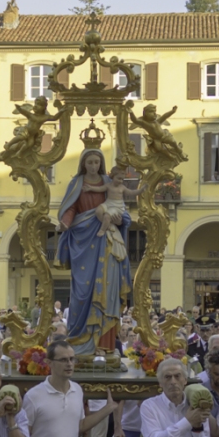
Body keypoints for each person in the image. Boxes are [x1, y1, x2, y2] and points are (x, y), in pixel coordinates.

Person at [56, 150, 132, 352]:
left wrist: (120, 220)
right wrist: (65, 223)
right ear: (83, 163)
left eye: (96, 162)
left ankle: (104, 346)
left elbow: (122, 208)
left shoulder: (110, 181)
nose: (93, 165)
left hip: (107, 240)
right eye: (89, 162)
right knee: (82, 292)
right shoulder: (77, 183)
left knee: (108, 291)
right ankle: (80, 340)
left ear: (101, 163)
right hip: (83, 241)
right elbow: (71, 208)